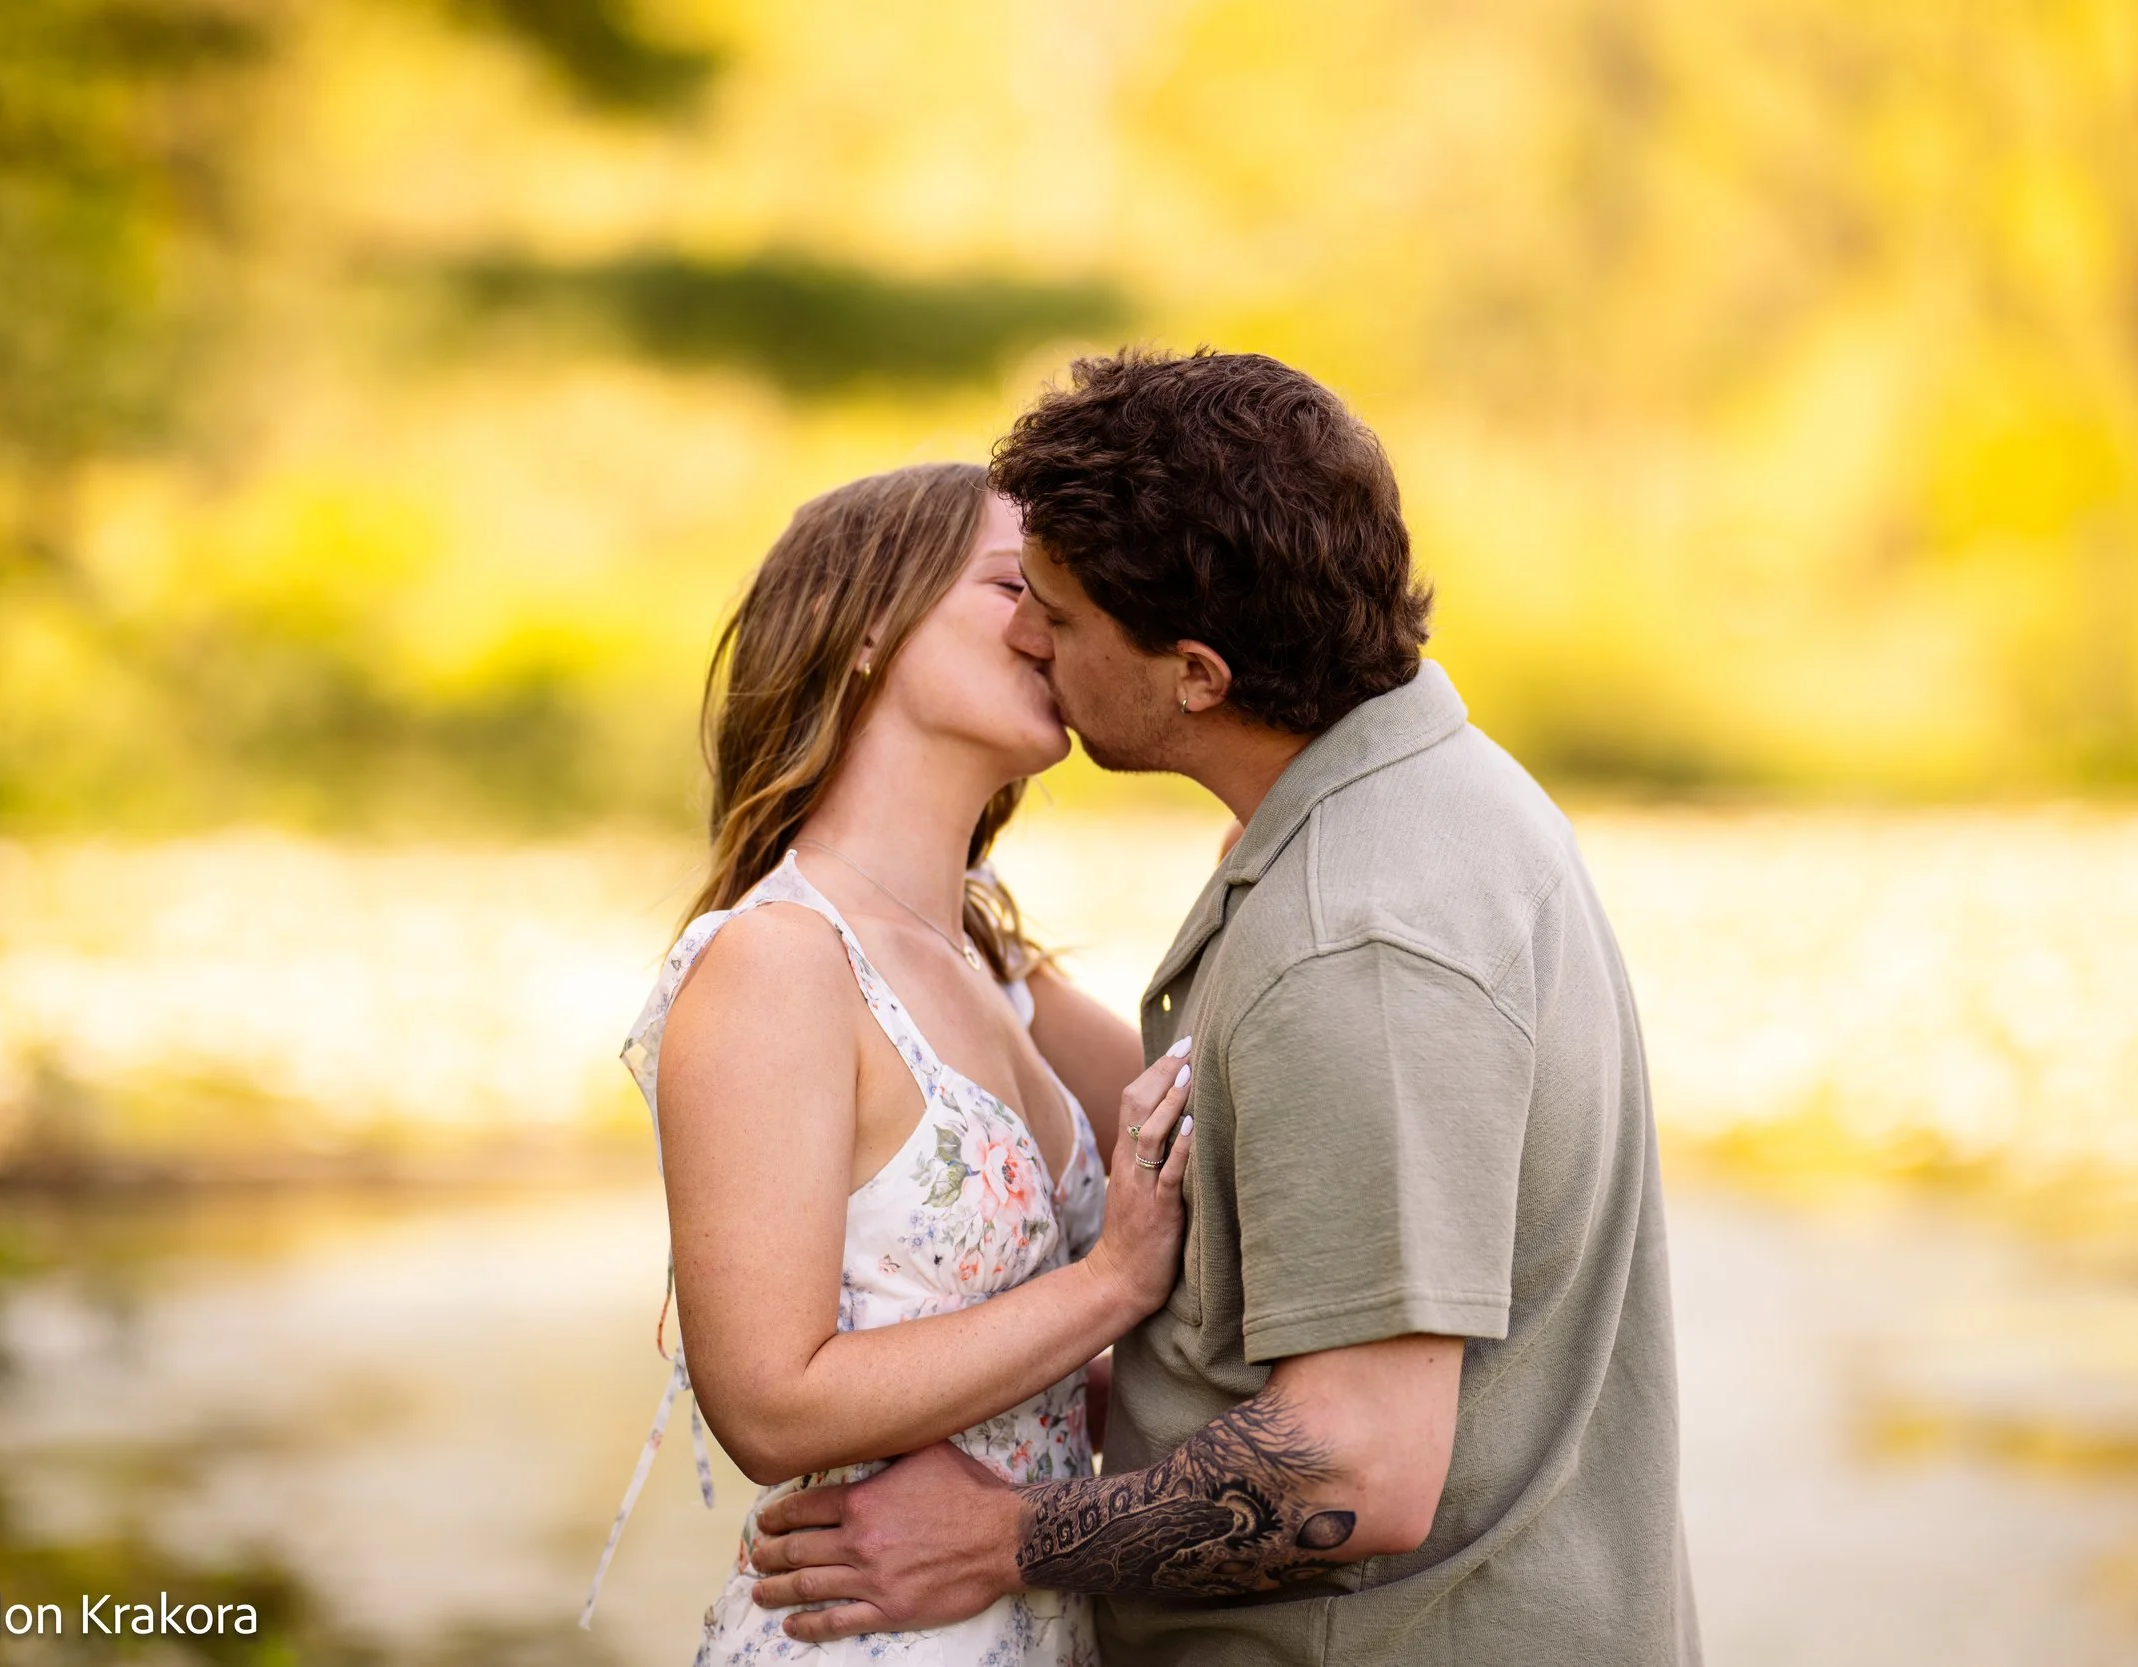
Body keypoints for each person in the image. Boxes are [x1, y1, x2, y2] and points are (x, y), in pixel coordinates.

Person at [745, 351, 1703, 1666]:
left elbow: (1349, 1466)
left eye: (1064, 617)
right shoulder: (1423, 799)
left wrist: (1000, 1535)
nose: (1032, 633)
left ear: (1195, 672)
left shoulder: (1355, 945)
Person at [589, 462, 1199, 1665]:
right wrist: (1106, 1288)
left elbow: (1216, 1105)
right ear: (869, 628)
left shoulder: (993, 964)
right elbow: (768, 1401)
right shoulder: (779, 964)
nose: (1051, 625)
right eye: (1016, 585)